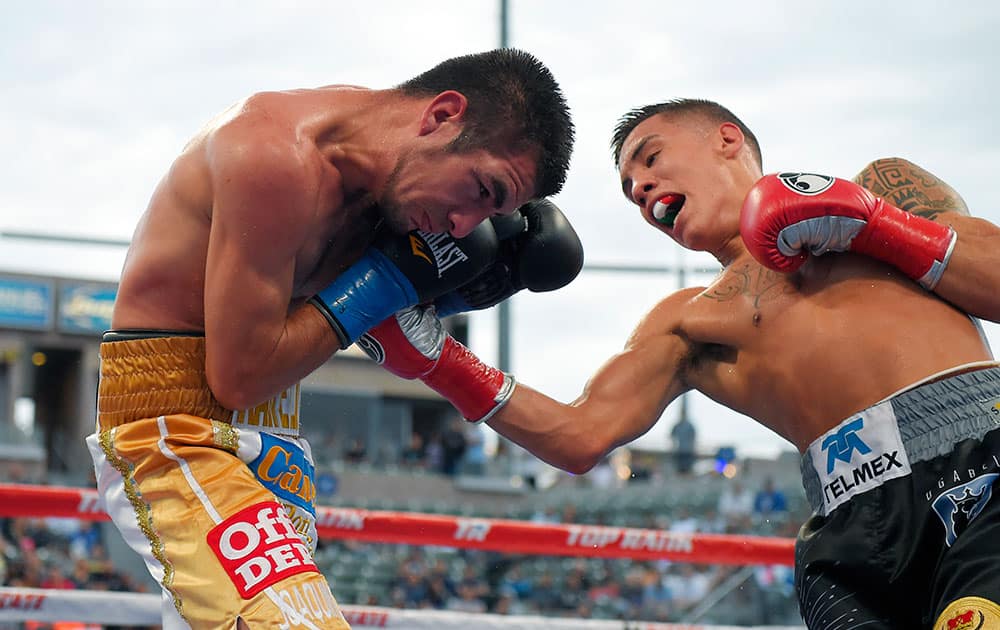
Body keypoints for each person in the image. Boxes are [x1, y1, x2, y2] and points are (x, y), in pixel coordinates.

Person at [361, 99, 1000, 629]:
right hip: (850, 536)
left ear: (727, 140)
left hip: (982, 462)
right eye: (630, 189)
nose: (640, 189)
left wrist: (874, 227)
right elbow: (580, 435)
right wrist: (440, 361)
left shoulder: (882, 187)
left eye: (651, 158)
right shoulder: (688, 321)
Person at [85, 47, 579, 629]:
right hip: (175, 428)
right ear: (442, 115)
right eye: (482, 189)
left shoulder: (386, 191)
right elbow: (239, 376)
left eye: (488, 212)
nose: (464, 225)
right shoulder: (274, 155)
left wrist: (429, 297)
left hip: (277, 430)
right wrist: (384, 286)